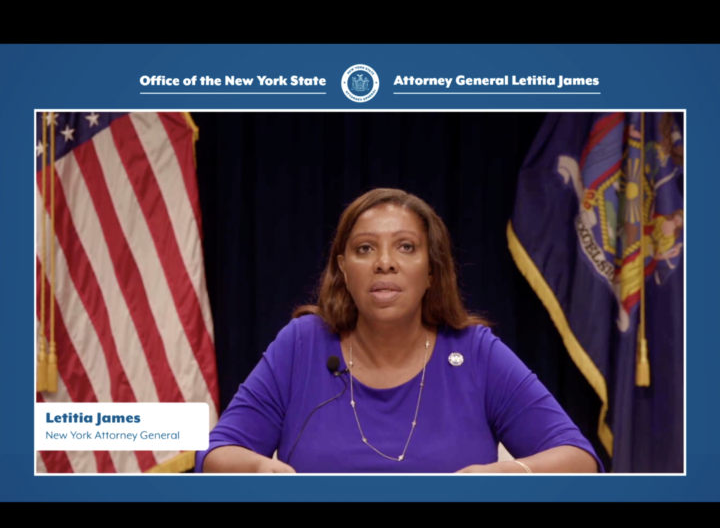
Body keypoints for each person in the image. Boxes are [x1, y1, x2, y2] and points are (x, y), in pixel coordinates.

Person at [196, 188, 603, 473]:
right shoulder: (301, 344)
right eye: (364, 249)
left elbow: (581, 462)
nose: (384, 263)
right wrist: (258, 470)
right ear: (343, 270)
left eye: (406, 247)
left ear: (431, 270)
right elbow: (215, 456)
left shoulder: (475, 353)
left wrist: (508, 473)